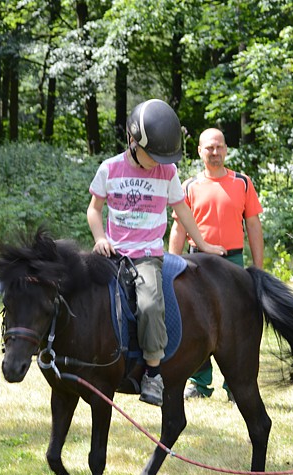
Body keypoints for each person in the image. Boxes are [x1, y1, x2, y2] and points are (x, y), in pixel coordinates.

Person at [87, 99, 226, 407]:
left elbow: (182, 211)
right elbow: (94, 210)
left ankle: (152, 374)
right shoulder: (109, 169)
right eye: (152, 155)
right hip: (112, 253)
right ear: (132, 140)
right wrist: (99, 238)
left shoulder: (167, 172)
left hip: (147, 255)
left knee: (150, 305)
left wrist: (201, 244)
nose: (157, 162)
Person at [168, 127, 264, 401]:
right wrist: (172, 263)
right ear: (199, 151)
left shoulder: (242, 183)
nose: (215, 152)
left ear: (226, 149)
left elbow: (254, 225)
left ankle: (236, 386)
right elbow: (178, 229)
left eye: (219, 146)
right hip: (196, 262)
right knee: (197, 325)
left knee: (237, 327)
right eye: (209, 147)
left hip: (232, 261)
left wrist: (258, 267)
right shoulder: (188, 186)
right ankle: (200, 383)